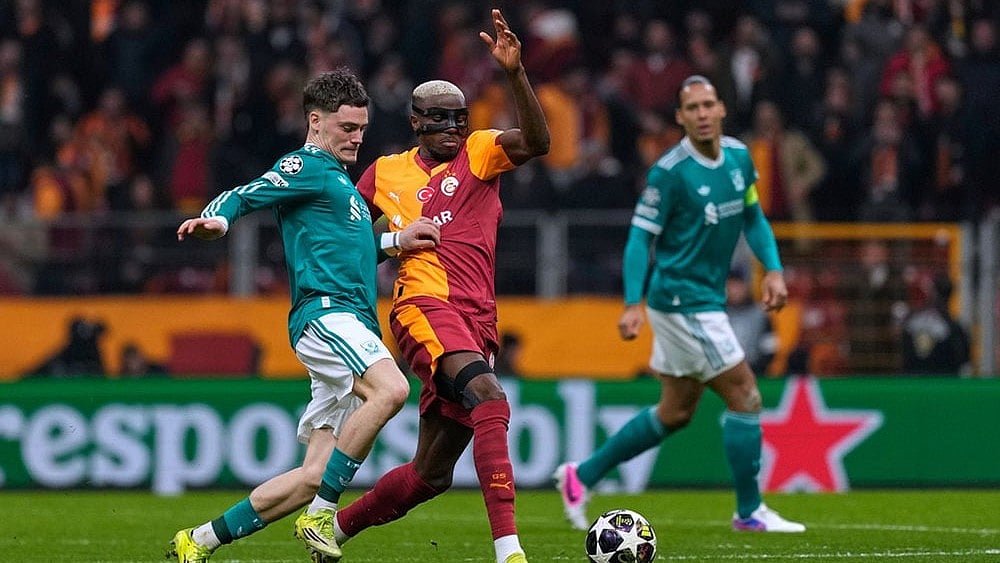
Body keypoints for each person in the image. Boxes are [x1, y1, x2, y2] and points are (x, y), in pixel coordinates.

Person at [166, 68, 440, 563]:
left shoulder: (339, 184)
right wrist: (219, 219)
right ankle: (321, 515)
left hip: (351, 320)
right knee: (393, 389)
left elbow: (350, 252)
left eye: (361, 128)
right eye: (347, 128)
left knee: (314, 472)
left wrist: (397, 241)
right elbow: (247, 192)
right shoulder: (306, 165)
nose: (357, 138)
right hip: (327, 315)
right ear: (316, 122)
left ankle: (198, 541)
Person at [328, 10, 549, 563]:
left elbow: (539, 142)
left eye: (460, 118)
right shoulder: (384, 172)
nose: (454, 128)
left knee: (430, 476)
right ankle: (510, 550)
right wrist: (394, 241)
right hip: (422, 306)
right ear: (416, 120)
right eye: (441, 120)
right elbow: (343, 242)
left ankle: (331, 532)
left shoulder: (482, 151)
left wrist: (516, 74)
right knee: (490, 399)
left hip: (478, 320)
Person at [554, 75, 805, 533]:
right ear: (680, 117)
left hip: (704, 299)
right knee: (746, 396)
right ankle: (749, 512)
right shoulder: (670, 173)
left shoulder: (739, 158)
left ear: (723, 109)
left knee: (675, 412)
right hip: (681, 300)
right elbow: (638, 238)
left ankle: (580, 475)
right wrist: (632, 302)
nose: (703, 114)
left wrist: (772, 269)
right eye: (693, 108)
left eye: (709, 104)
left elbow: (753, 216)